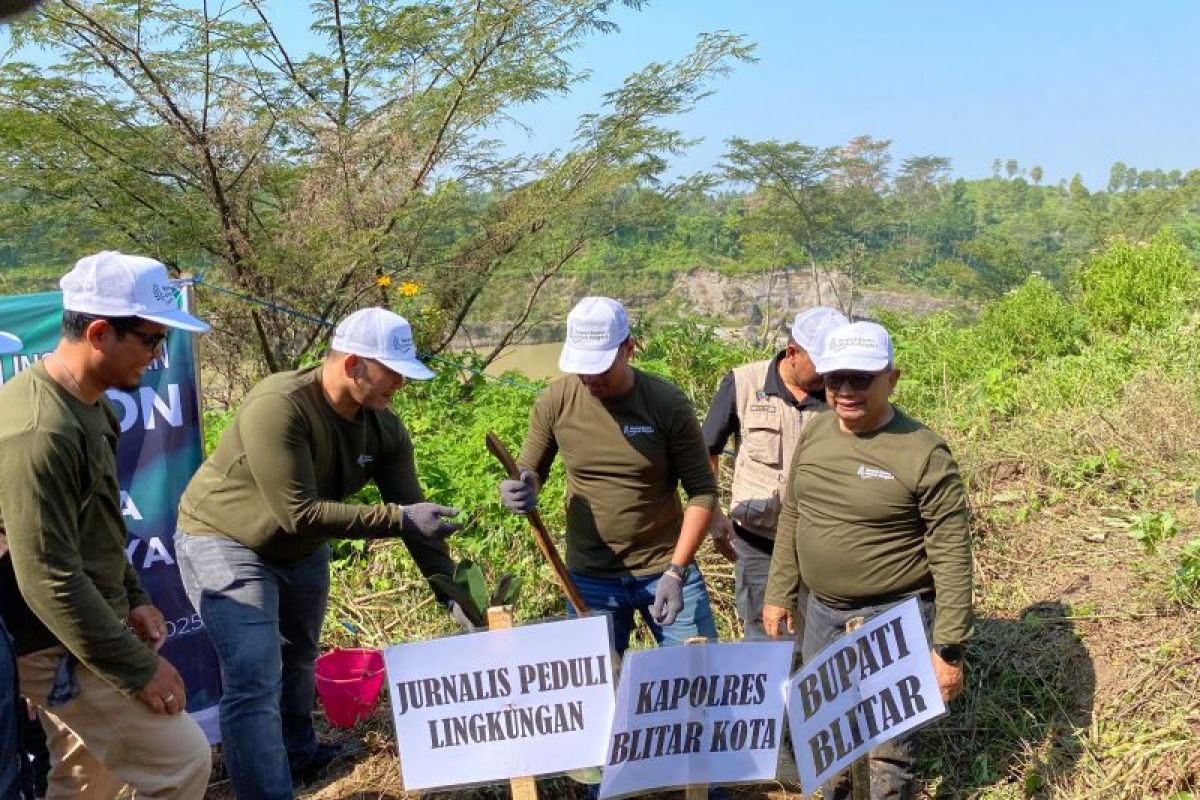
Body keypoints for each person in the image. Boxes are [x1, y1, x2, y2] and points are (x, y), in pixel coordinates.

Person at [174, 307, 464, 799]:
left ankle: (298, 754)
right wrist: (398, 519)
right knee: (254, 675)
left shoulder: (383, 428)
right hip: (226, 539)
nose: (401, 384)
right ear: (353, 364)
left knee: (300, 654)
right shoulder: (280, 406)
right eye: (393, 372)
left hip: (301, 547)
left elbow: (415, 516)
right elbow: (299, 513)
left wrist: (453, 592)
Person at [0, 251, 214, 799]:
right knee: (183, 761)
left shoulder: (92, 406)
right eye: (150, 339)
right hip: (52, 639)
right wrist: (138, 669)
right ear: (99, 333)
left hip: (82, 624)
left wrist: (134, 595)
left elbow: (97, 526)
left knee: (86, 778)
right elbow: (47, 578)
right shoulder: (40, 429)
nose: (158, 354)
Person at [764, 320, 973, 800]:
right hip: (822, 614)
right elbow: (794, 513)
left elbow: (952, 556)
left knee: (888, 752)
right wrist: (779, 592)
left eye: (860, 378)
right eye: (835, 378)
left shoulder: (924, 453)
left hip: (893, 618)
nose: (845, 391)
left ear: (891, 379)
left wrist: (948, 648)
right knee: (828, 741)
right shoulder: (817, 432)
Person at [498, 296, 720, 655]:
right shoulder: (556, 402)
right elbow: (531, 470)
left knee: (698, 672)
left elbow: (702, 491)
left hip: (664, 567)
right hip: (591, 578)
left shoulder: (666, 404)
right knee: (597, 681)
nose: (590, 378)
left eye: (600, 368)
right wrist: (521, 487)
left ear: (628, 349)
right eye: (582, 367)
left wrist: (677, 571)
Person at [701, 306, 847, 641]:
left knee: (823, 642)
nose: (829, 375)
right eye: (821, 365)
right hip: (758, 546)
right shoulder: (743, 383)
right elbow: (705, 451)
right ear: (792, 353)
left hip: (822, 548)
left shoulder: (841, 395)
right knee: (766, 644)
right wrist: (714, 515)